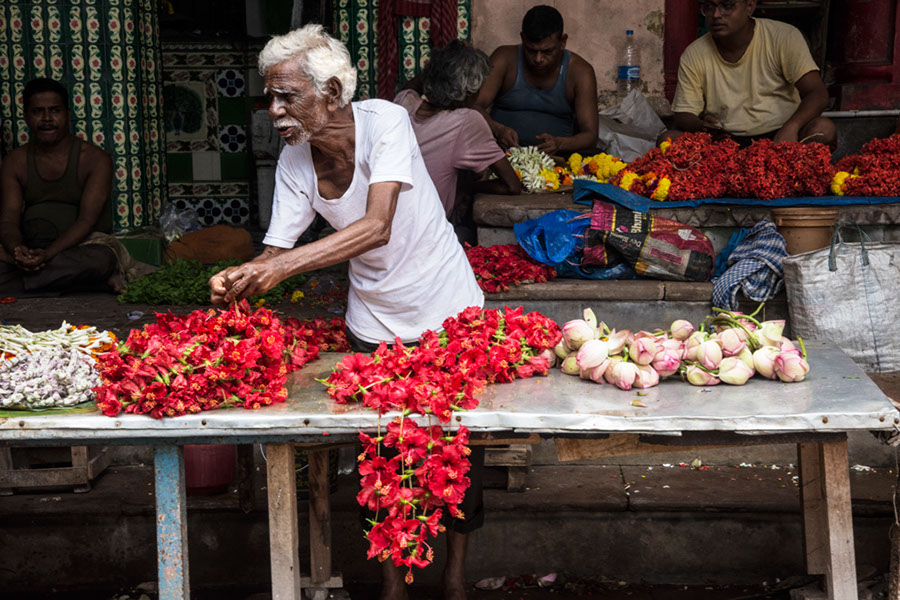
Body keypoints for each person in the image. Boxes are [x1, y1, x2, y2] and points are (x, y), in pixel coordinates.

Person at [208, 25, 485, 600]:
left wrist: (277, 271)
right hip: (373, 321)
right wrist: (242, 278)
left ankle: (456, 580)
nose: (274, 109)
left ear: (332, 92)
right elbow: (274, 254)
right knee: (383, 455)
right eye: (271, 97)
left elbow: (376, 225)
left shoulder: (386, 120)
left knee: (457, 450)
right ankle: (393, 586)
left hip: (445, 303)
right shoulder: (294, 162)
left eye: (288, 96)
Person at [0, 78, 131, 296]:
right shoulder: (15, 161)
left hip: (81, 247)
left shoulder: (95, 159)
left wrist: (48, 255)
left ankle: (27, 285)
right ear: (25, 116)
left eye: (55, 111)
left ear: (68, 115)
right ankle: (90, 285)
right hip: (30, 247)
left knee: (100, 260)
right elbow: (7, 219)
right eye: (38, 111)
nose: (47, 119)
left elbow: (86, 221)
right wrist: (17, 250)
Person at [661, 0, 835, 148]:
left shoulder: (784, 37)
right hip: (725, 141)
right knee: (667, 139)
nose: (715, 15)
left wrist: (792, 127)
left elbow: (817, 94)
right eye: (709, 7)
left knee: (823, 129)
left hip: (781, 136)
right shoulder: (694, 53)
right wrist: (704, 126)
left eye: (727, 6)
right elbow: (683, 114)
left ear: (750, 6)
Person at [393, 40, 521, 240]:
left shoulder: (403, 103)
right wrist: (465, 187)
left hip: (391, 224)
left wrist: (442, 63)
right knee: (468, 232)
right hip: (425, 235)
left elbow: (414, 85)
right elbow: (512, 185)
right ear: (469, 92)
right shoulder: (467, 121)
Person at [475, 4, 598, 156]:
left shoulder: (580, 72)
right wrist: (497, 129)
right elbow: (474, 106)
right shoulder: (504, 59)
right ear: (522, 38)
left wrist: (560, 143)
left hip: (555, 161)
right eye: (531, 50)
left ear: (563, 42)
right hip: (500, 155)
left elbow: (590, 135)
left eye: (547, 51)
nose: (538, 59)